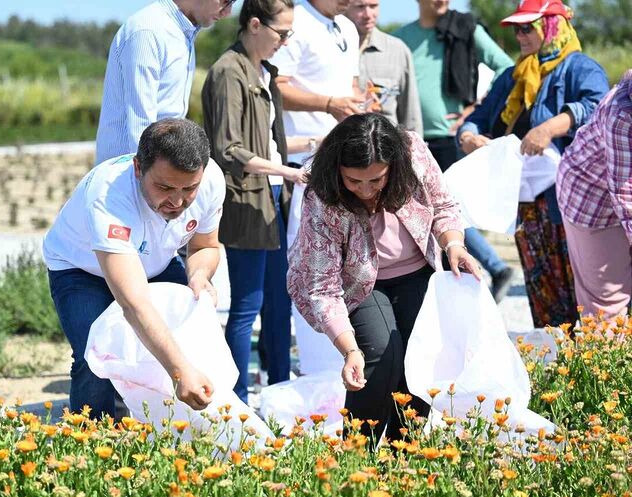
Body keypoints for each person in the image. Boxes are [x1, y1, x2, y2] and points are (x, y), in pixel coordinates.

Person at [287, 113, 481, 445]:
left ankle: (402, 456)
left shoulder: (413, 152)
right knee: (378, 356)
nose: (365, 190)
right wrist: (349, 351)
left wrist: (453, 244)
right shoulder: (321, 193)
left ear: (394, 167)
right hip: (356, 282)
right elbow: (322, 285)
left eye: (376, 180)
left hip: (416, 271)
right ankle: (356, 455)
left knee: (419, 362)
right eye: (353, 181)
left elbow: (444, 205)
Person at [44, 119, 226, 417]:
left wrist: (198, 275)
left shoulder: (212, 181)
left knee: (189, 340)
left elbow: (205, 246)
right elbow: (133, 303)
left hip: (156, 262)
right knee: (95, 356)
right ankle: (93, 443)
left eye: (189, 188)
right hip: (82, 270)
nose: (177, 201)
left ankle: (171, 432)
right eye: (165, 187)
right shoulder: (109, 197)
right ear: (138, 168)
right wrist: (180, 373)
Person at [458, 0, 609, 327]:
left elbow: (598, 107)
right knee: (544, 294)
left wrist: (552, 126)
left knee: (587, 293)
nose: (520, 36)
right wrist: (468, 136)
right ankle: (562, 368)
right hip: (526, 206)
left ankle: (597, 369)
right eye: (517, 29)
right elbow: (478, 118)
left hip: (573, 204)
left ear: (552, 27)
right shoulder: (513, 76)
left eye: (528, 28)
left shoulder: (580, 67)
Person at [202, 0, 318, 403]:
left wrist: (323, 143)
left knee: (279, 303)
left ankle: (282, 392)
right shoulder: (226, 73)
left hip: (274, 198)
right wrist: (288, 171)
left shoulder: (266, 73)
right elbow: (228, 149)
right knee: (247, 306)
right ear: (254, 24)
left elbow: (271, 143)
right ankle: (237, 401)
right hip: (246, 200)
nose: (285, 42)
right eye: (281, 33)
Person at [395, 0, 516, 301]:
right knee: (419, 211)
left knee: (447, 208)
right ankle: (465, 279)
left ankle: (495, 266)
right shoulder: (399, 39)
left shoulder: (466, 29)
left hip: (449, 140)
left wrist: (475, 110)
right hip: (410, 140)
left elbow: (507, 69)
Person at [270, 0, 363, 376]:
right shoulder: (298, 22)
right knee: (303, 267)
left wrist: (357, 106)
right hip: (301, 162)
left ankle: (341, 353)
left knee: (346, 263)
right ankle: (301, 365)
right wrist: (328, 104)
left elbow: (350, 86)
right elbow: (277, 86)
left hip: (341, 156)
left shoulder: (347, 26)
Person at [95, 0, 236, 164]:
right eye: (226, 1)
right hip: (130, 175)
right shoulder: (148, 31)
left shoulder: (182, 34)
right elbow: (141, 129)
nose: (228, 12)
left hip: (156, 172)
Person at [556, 70, 632, 319]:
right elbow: (625, 192)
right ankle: (603, 355)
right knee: (607, 304)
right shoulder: (622, 113)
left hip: (616, 198)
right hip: (591, 201)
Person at [344, 0, 423, 135]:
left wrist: (415, 150)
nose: (368, 14)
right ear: (343, 6)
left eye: (373, 6)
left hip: (386, 150)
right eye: (360, 7)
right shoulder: (328, 50)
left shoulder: (398, 50)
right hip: (339, 146)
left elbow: (411, 114)